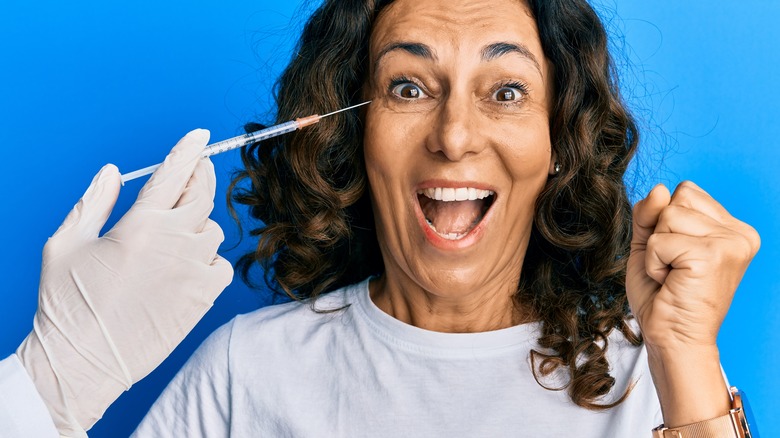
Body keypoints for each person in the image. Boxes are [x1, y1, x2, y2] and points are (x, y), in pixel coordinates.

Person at [0, 0, 760, 436]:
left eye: (504, 92)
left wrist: (689, 357)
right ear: (350, 133)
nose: (454, 136)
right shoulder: (246, 373)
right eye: (407, 88)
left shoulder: (648, 374)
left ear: (558, 142)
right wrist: (50, 384)